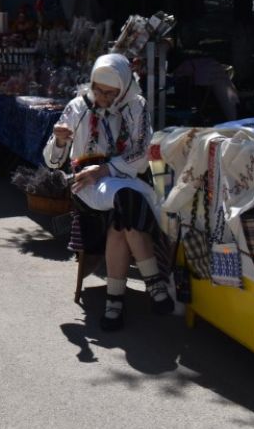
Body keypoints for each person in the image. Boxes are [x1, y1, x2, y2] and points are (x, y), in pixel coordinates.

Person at [43, 52, 170, 331]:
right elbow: (52, 162)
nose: (101, 97)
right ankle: (154, 283)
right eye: (97, 89)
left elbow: (139, 158)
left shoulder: (136, 107)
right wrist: (61, 142)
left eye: (110, 92)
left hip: (125, 178)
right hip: (88, 188)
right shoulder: (78, 107)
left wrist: (104, 170)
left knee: (121, 213)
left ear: (124, 88)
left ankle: (115, 301)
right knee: (126, 201)